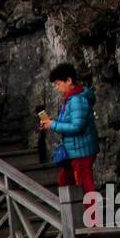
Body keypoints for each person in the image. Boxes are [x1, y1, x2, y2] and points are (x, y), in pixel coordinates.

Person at [39, 63, 99, 195]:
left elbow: (77, 126)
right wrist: (50, 123)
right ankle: (75, 213)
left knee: (85, 186)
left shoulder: (77, 100)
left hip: (81, 151)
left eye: (58, 83)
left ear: (69, 80)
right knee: (65, 180)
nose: (57, 87)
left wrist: (53, 124)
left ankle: (92, 216)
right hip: (74, 151)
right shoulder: (71, 99)